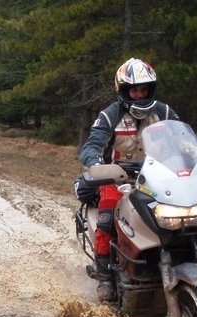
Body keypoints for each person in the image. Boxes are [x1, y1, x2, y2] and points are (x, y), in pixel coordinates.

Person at [77, 58, 180, 301]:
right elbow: (91, 146)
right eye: (134, 90)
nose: (139, 95)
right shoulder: (110, 115)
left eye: (144, 89)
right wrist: (96, 165)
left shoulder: (163, 112)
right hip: (118, 179)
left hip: (157, 178)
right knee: (106, 220)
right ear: (124, 90)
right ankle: (104, 277)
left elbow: (187, 137)